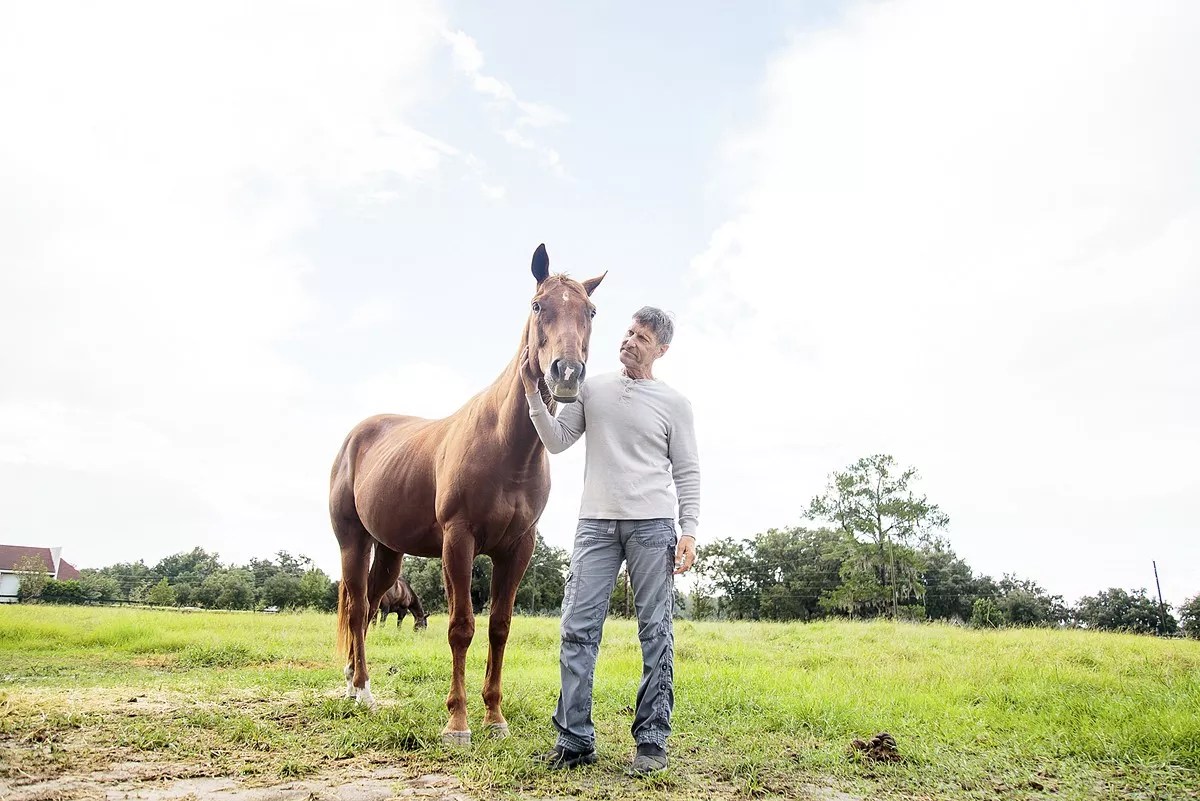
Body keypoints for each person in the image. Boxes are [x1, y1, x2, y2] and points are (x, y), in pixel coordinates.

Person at [520, 305, 700, 776]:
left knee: (656, 634)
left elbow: (687, 471)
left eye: (640, 337)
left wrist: (690, 530)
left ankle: (652, 740)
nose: (628, 340)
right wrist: (534, 398)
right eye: (627, 331)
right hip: (595, 526)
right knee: (577, 629)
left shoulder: (674, 405)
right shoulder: (593, 387)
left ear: (661, 349)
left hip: (653, 526)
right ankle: (574, 738)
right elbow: (558, 440)